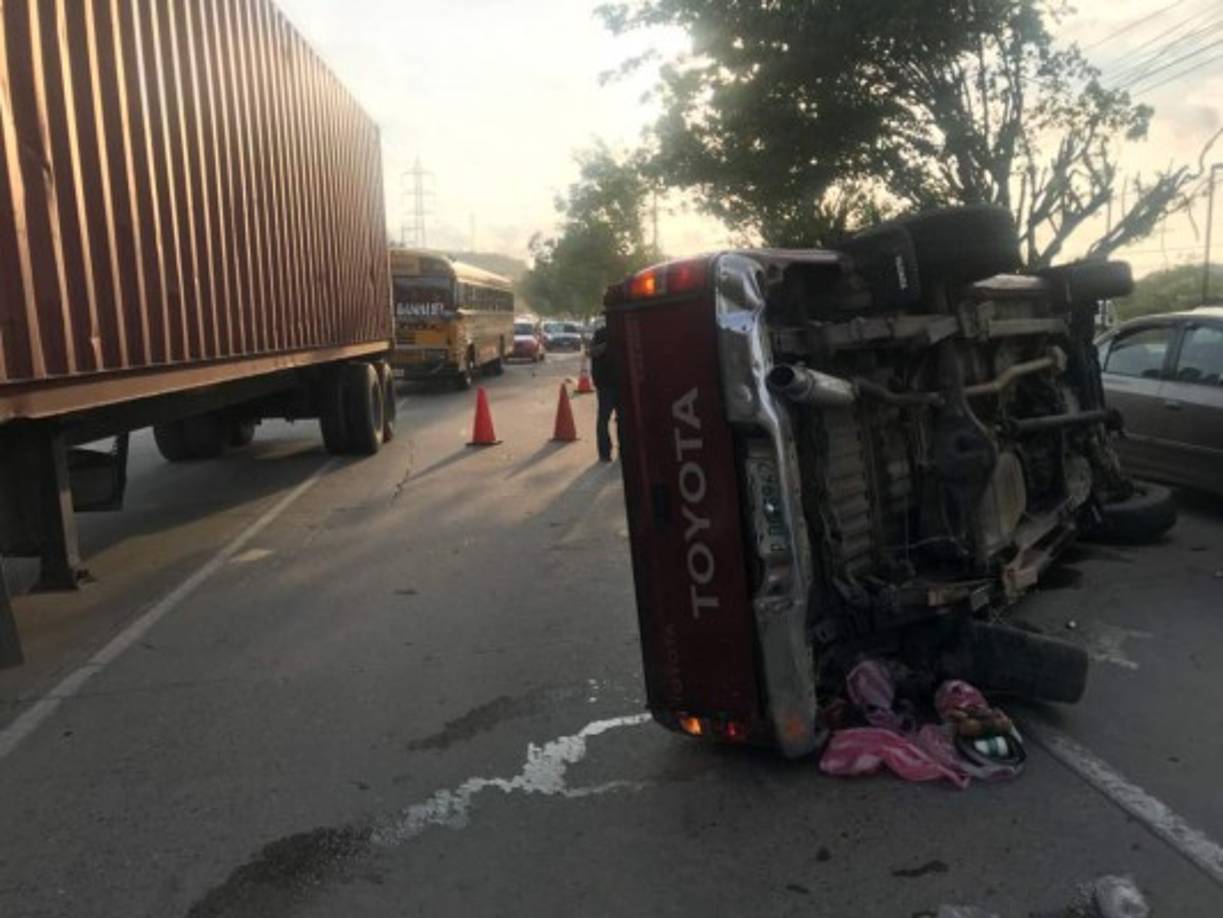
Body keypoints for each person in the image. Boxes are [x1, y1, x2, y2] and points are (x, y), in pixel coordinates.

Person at [588, 323, 618, 462]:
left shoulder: (624, 330)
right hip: (606, 384)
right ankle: (604, 452)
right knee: (603, 419)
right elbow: (592, 352)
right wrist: (607, 345)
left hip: (621, 384)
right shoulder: (601, 334)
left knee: (623, 418)